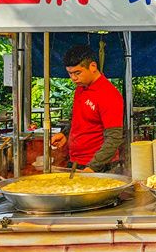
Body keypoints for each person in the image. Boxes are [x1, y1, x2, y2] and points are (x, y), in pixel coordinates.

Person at [50, 44, 124, 172]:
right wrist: (65, 134)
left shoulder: (109, 95)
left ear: (93, 67)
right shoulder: (81, 87)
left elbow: (114, 138)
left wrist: (92, 167)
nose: (73, 78)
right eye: (70, 73)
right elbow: (81, 121)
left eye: (77, 73)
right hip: (76, 162)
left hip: (99, 166)